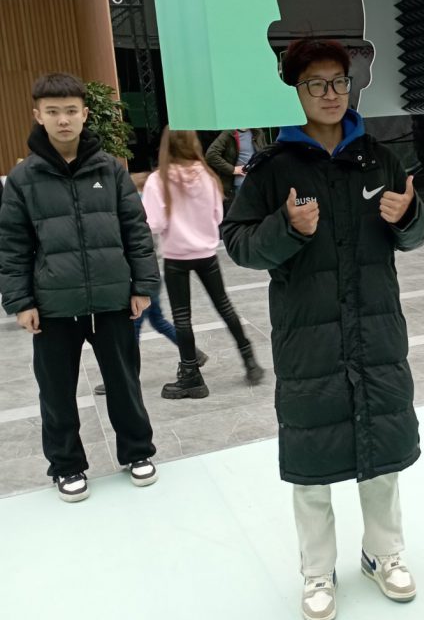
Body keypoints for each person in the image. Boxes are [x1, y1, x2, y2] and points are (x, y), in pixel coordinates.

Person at [223, 37, 424, 620]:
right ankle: (317, 570)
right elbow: (238, 243)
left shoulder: (379, 159)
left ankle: (383, 553)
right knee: (311, 460)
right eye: (315, 84)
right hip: (307, 338)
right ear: (297, 90)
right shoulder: (273, 168)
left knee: (382, 453)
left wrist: (409, 218)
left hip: (376, 331)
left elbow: (415, 235)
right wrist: (286, 228)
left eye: (338, 81)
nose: (330, 94)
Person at [0, 73, 159, 502]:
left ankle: (138, 452)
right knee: (56, 393)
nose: (63, 120)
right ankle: (67, 465)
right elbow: (12, 245)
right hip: (53, 307)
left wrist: (142, 285)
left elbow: (136, 231)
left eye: (71, 111)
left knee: (125, 384)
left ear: (85, 114)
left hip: (112, 301)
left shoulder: (110, 170)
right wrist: (20, 301)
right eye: (53, 112)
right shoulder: (23, 179)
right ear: (38, 115)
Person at [142, 129, 264, 399]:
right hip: (206, 253)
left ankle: (191, 375)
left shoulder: (158, 180)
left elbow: (155, 223)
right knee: (224, 306)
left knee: (182, 317)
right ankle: (249, 360)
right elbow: (218, 215)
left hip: (176, 256)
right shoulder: (207, 176)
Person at [93, 171, 207, 395]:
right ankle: (194, 353)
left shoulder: (137, 210)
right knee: (157, 321)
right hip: (150, 275)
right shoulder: (143, 206)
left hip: (140, 276)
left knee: (133, 327)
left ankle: (127, 375)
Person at [205, 128, 266, 209]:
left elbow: (264, 154)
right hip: (239, 185)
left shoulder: (257, 132)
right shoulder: (229, 133)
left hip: (257, 183)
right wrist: (232, 169)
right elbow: (211, 155)